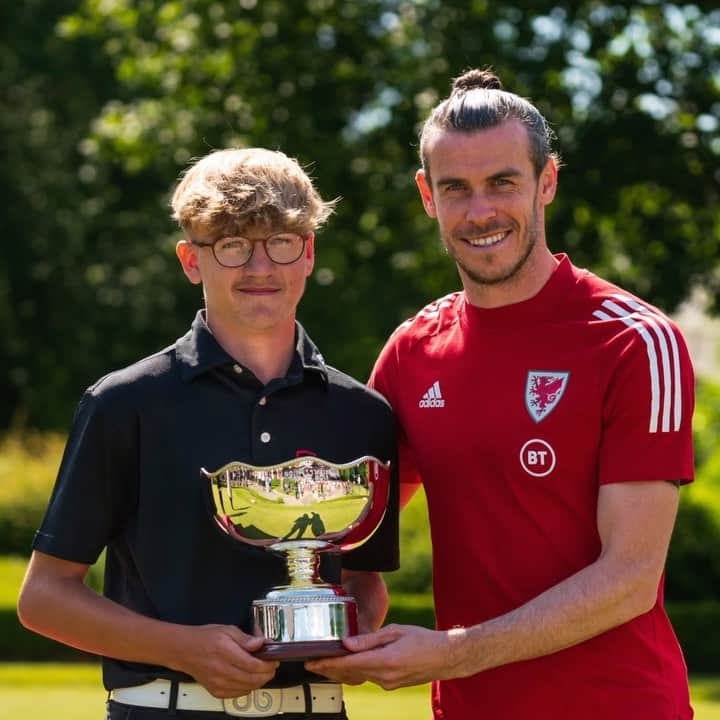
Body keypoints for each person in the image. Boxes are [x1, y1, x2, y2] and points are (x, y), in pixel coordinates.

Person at [306, 69, 695, 719]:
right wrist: (326, 608)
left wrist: (452, 653)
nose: (480, 211)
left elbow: (629, 579)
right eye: (456, 188)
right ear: (428, 196)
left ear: (547, 182)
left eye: (502, 183)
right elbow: (349, 524)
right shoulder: (413, 348)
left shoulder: (636, 341)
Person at [17, 148, 399, 720]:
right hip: (166, 708)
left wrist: (351, 636)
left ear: (310, 253)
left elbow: (364, 582)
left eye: (281, 242)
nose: (260, 267)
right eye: (232, 245)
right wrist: (182, 649)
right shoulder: (125, 403)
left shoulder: (363, 413)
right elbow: (44, 598)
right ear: (191, 260)